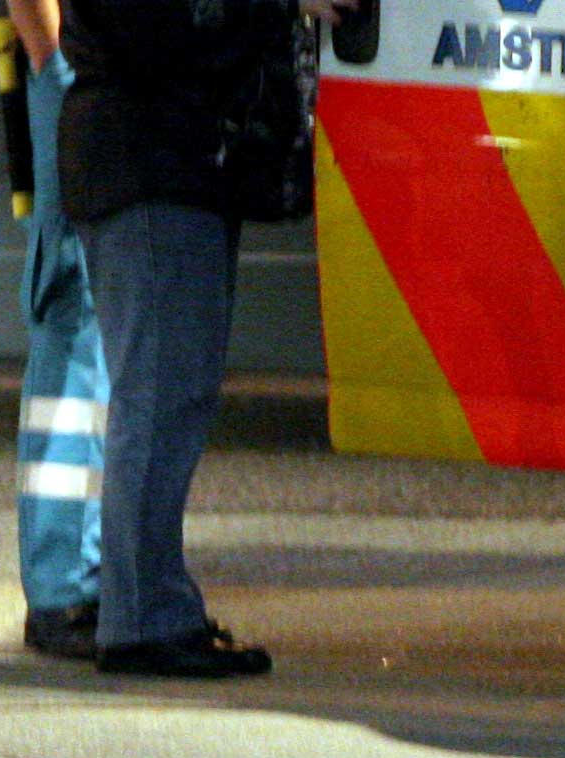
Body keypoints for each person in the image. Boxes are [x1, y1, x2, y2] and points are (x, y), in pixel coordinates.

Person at [59, 0, 354, 677]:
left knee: (168, 399)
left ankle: (150, 605)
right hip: (150, 162)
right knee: (160, 400)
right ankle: (140, 619)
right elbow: (154, 32)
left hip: (161, 161)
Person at [2, 0, 111, 662]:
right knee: (75, 328)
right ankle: (62, 586)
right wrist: (55, 63)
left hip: (76, 73)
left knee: (83, 336)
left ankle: (71, 577)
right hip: (74, 79)